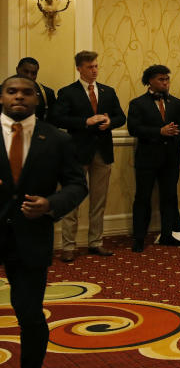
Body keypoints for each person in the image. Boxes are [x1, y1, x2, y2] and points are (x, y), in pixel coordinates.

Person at [1, 75, 87, 368]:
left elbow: (77, 185)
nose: (19, 97)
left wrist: (50, 205)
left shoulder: (57, 139)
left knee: (31, 317)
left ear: (36, 98)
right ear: (2, 97)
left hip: (30, 238)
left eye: (26, 92)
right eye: (12, 92)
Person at [50, 50, 125, 262]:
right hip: (77, 152)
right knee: (72, 200)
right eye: (90, 67)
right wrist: (86, 121)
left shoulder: (107, 91)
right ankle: (68, 246)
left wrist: (111, 123)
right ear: (79, 68)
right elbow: (57, 118)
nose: (94, 70)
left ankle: (96, 242)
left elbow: (121, 116)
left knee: (99, 201)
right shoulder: (67, 92)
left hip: (103, 152)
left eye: (96, 66)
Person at [127, 65, 180, 253]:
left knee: (169, 197)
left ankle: (167, 234)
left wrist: (174, 137)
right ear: (151, 81)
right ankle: (139, 238)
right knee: (142, 198)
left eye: (167, 79)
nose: (165, 83)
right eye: (161, 79)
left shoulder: (177, 103)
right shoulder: (137, 103)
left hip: (171, 157)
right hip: (147, 158)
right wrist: (159, 132)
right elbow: (134, 129)